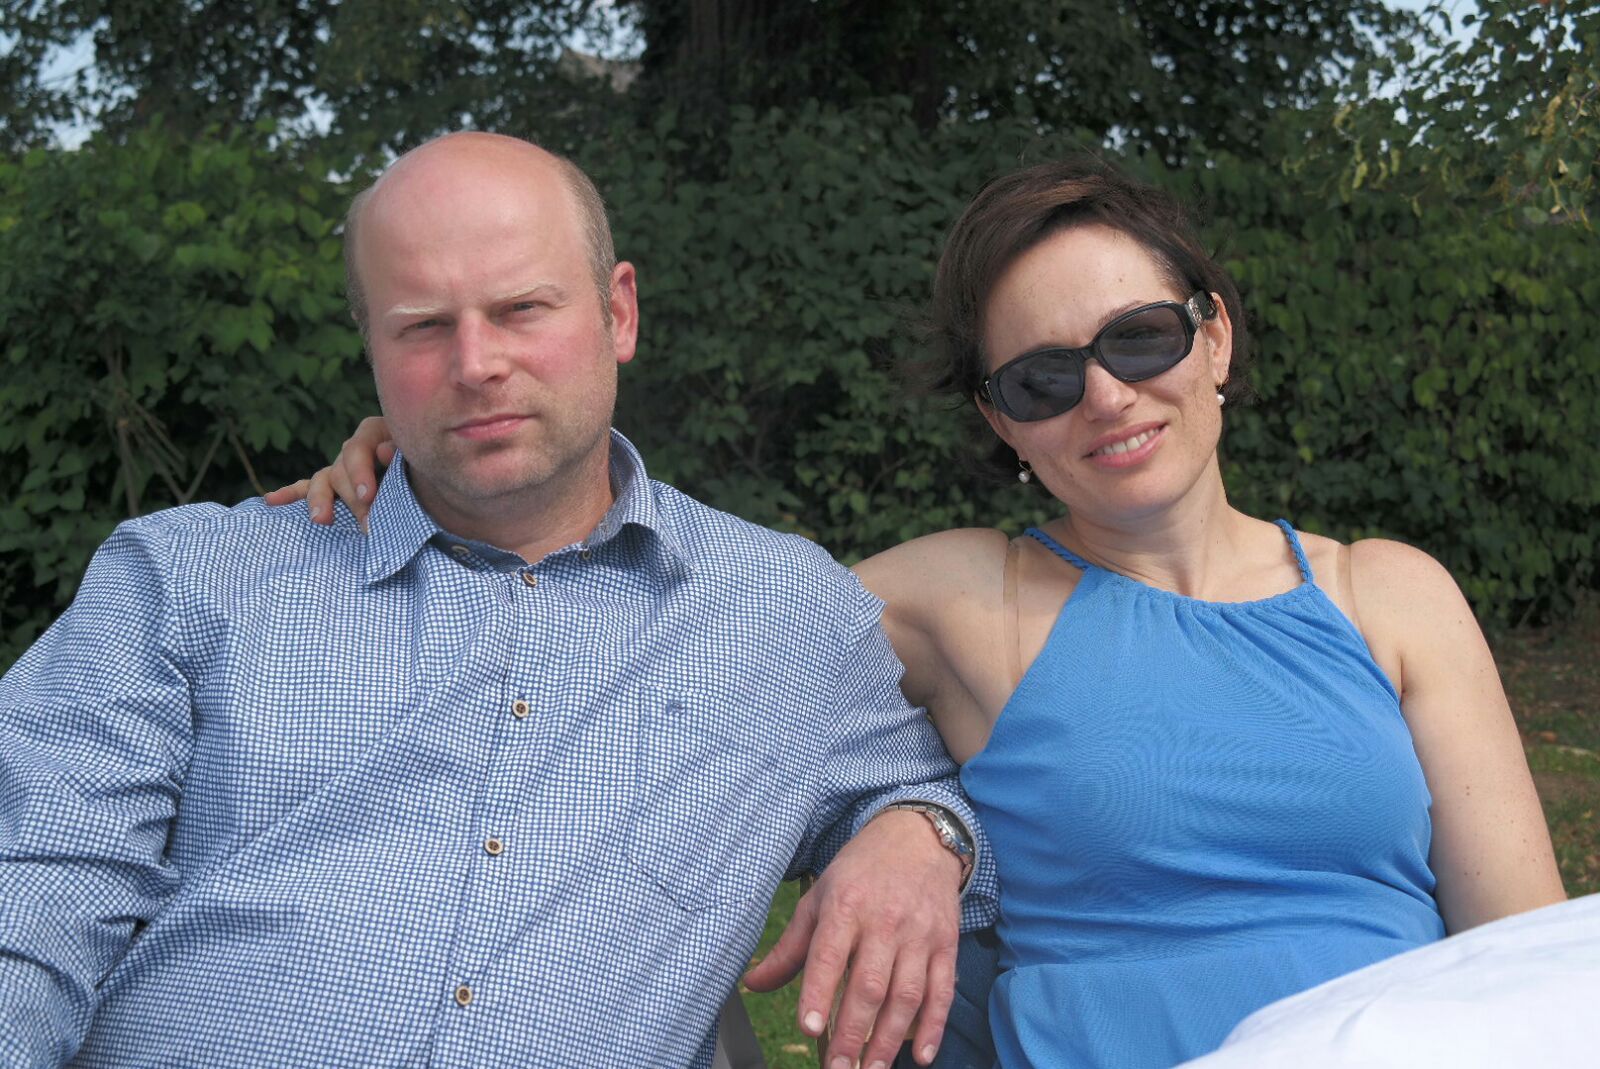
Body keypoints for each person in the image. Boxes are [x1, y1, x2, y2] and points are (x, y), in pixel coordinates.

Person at [291, 154, 1566, 1068]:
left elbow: (1520, 949)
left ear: (1214, 337)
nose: (1107, 398)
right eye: (1042, 376)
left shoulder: (1388, 593)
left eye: (1138, 339)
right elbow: (646, 610)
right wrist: (437, 451)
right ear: (998, 421)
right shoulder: (958, 597)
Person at [0, 132, 999, 1069]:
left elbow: (939, 791)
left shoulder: (784, 613)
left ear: (619, 312)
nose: (476, 365)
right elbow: (31, 891)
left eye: (522, 308)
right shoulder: (188, 580)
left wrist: (923, 834)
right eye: (424, 326)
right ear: (372, 348)